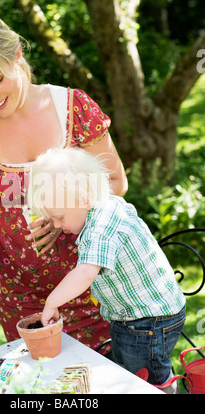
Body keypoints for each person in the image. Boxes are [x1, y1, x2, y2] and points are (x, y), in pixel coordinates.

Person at [0, 10, 128, 350]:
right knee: (45, 387)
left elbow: (115, 181)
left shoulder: (73, 108)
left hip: (97, 283)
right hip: (21, 301)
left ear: (16, 56)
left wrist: (65, 217)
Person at [30, 147, 186, 388]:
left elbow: (85, 272)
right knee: (135, 371)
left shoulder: (102, 225)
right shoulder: (103, 206)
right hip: (134, 317)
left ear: (84, 198)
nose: (57, 225)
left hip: (149, 321)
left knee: (146, 381)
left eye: (60, 217)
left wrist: (51, 302)